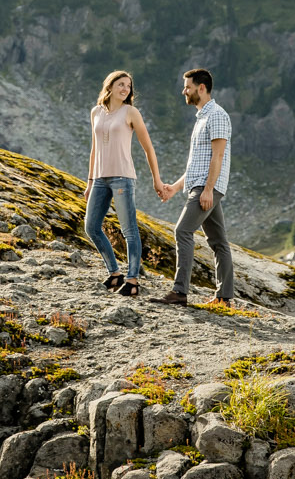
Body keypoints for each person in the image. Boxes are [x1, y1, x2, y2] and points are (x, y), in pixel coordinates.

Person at [84, 70, 166, 296]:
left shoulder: (131, 112)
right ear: (109, 86)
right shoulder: (96, 112)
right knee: (91, 227)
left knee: (129, 230)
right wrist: (90, 181)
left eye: (128, 86)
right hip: (100, 178)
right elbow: (94, 148)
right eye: (121, 84)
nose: (125, 89)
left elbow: (148, 148)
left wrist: (156, 180)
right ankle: (114, 274)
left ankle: (132, 280)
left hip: (123, 177)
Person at [158, 67, 235, 304]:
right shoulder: (202, 117)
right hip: (201, 185)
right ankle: (224, 298)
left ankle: (180, 292)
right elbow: (197, 164)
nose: (184, 91)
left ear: (201, 88)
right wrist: (176, 186)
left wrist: (209, 190)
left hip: (206, 188)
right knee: (219, 242)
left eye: (188, 87)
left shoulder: (217, 115)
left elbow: (218, 157)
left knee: (182, 231)